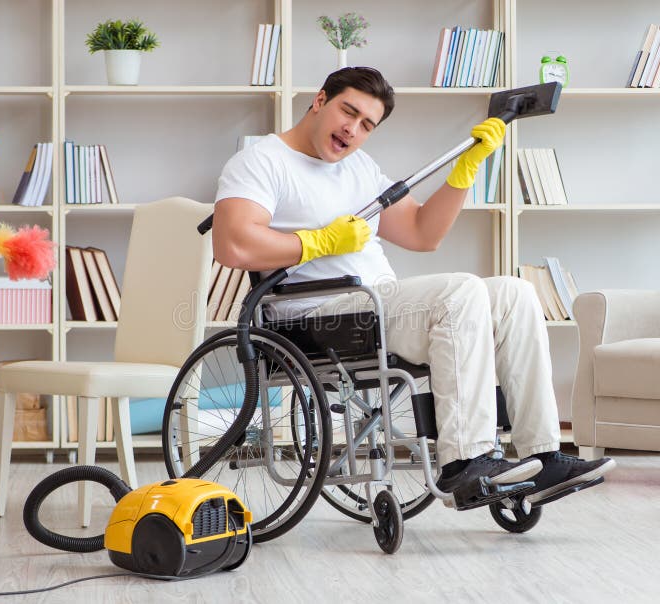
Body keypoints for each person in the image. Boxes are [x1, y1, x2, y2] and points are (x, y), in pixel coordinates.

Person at [212, 66, 615, 508]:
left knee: (515, 294)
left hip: (376, 307)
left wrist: (465, 171)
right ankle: (466, 462)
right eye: (349, 111)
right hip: (317, 317)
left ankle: (543, 454)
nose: (353, 128)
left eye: (367, 124)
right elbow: (233, 244)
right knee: (459, 292)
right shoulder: (261, 161)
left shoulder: (359, 168)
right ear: (320, 100)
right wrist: (316, 242)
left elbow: (424, 233)